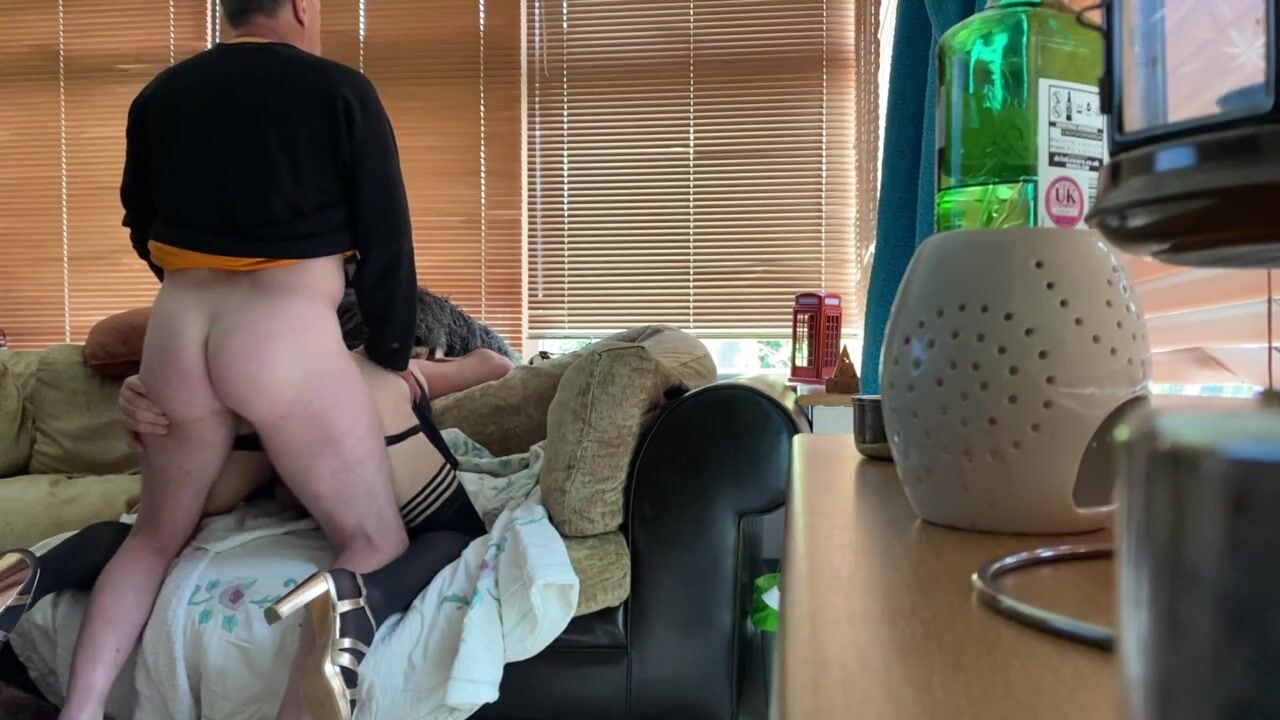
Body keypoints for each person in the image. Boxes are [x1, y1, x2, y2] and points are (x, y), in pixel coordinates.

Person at [61, 1, 423, 718]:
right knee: (374, 540)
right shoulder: (340, 89)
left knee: (153, 538)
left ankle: (80, 709)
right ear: (301, 6)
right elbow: (388, 237)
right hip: (283, 327)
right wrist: (387, 352)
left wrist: (191, 281)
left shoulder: (160, 95)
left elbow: (140, 218)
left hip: (179, 326)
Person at [0, 346, 514, 719]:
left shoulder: (236, 330)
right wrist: (419, 366)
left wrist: (142, 387)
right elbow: (496, 364)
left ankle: (41, 570)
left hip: (257, 433)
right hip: (352, 445)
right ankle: (368, 596)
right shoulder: (385, 365)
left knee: (155, 535)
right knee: (458, 540)